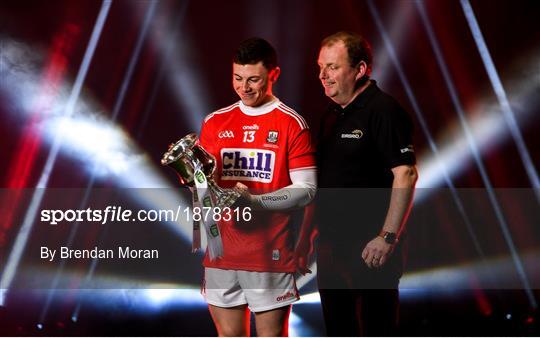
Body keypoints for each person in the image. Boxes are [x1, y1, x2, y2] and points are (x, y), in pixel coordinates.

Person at [198, 37, 317, 337]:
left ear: (274, 74)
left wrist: (254, 201)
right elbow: (204, 191)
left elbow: (308, 189)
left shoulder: (292, 124)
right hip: (221, 255)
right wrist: (192, 178)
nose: (244, 87)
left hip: (270, 255)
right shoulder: (215, 122)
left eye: (254, 79)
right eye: (237, 78)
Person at [315, 31, 418, 336]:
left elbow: (406, 174)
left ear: (360, 69)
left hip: (371, 249)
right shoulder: (331, 115)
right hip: (332, 248)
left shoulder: (384, 110)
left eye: (332, 66)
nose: (323, 75)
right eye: (320, 67)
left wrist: (387, 237)